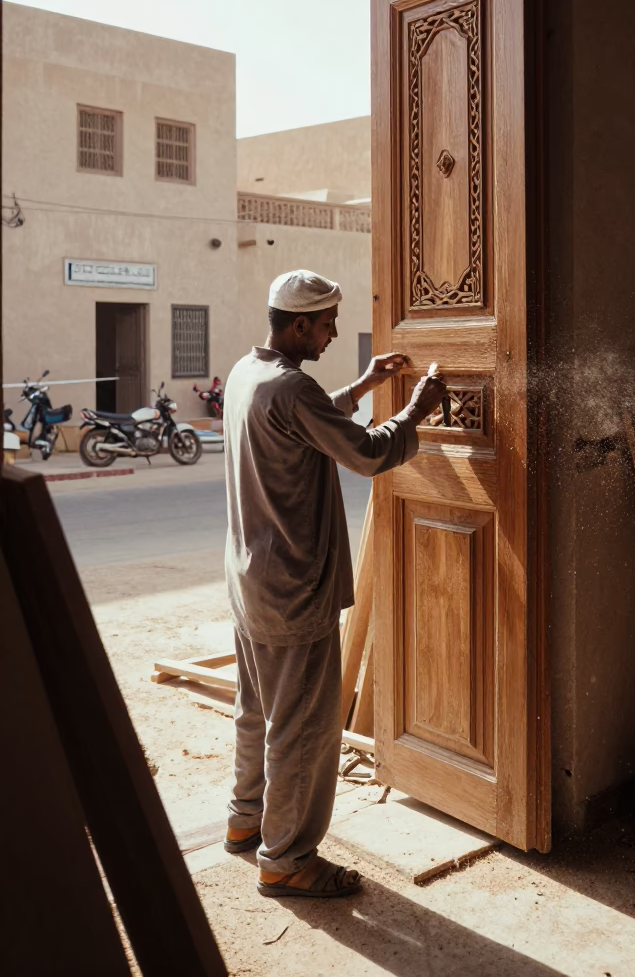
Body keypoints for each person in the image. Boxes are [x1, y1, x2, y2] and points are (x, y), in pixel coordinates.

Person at [222, 269, 446, 899]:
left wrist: (364, 385)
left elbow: (304, 421)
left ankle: (246, 824)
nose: (334, 332)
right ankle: (288, 857)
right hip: (294, 590)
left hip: (251, 585)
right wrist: (415, 408)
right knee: (304, 730)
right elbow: (370, 453)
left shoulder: (248, 374)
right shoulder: (292, 389)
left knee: (257, 712)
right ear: (298, 325)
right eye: (326, 324)